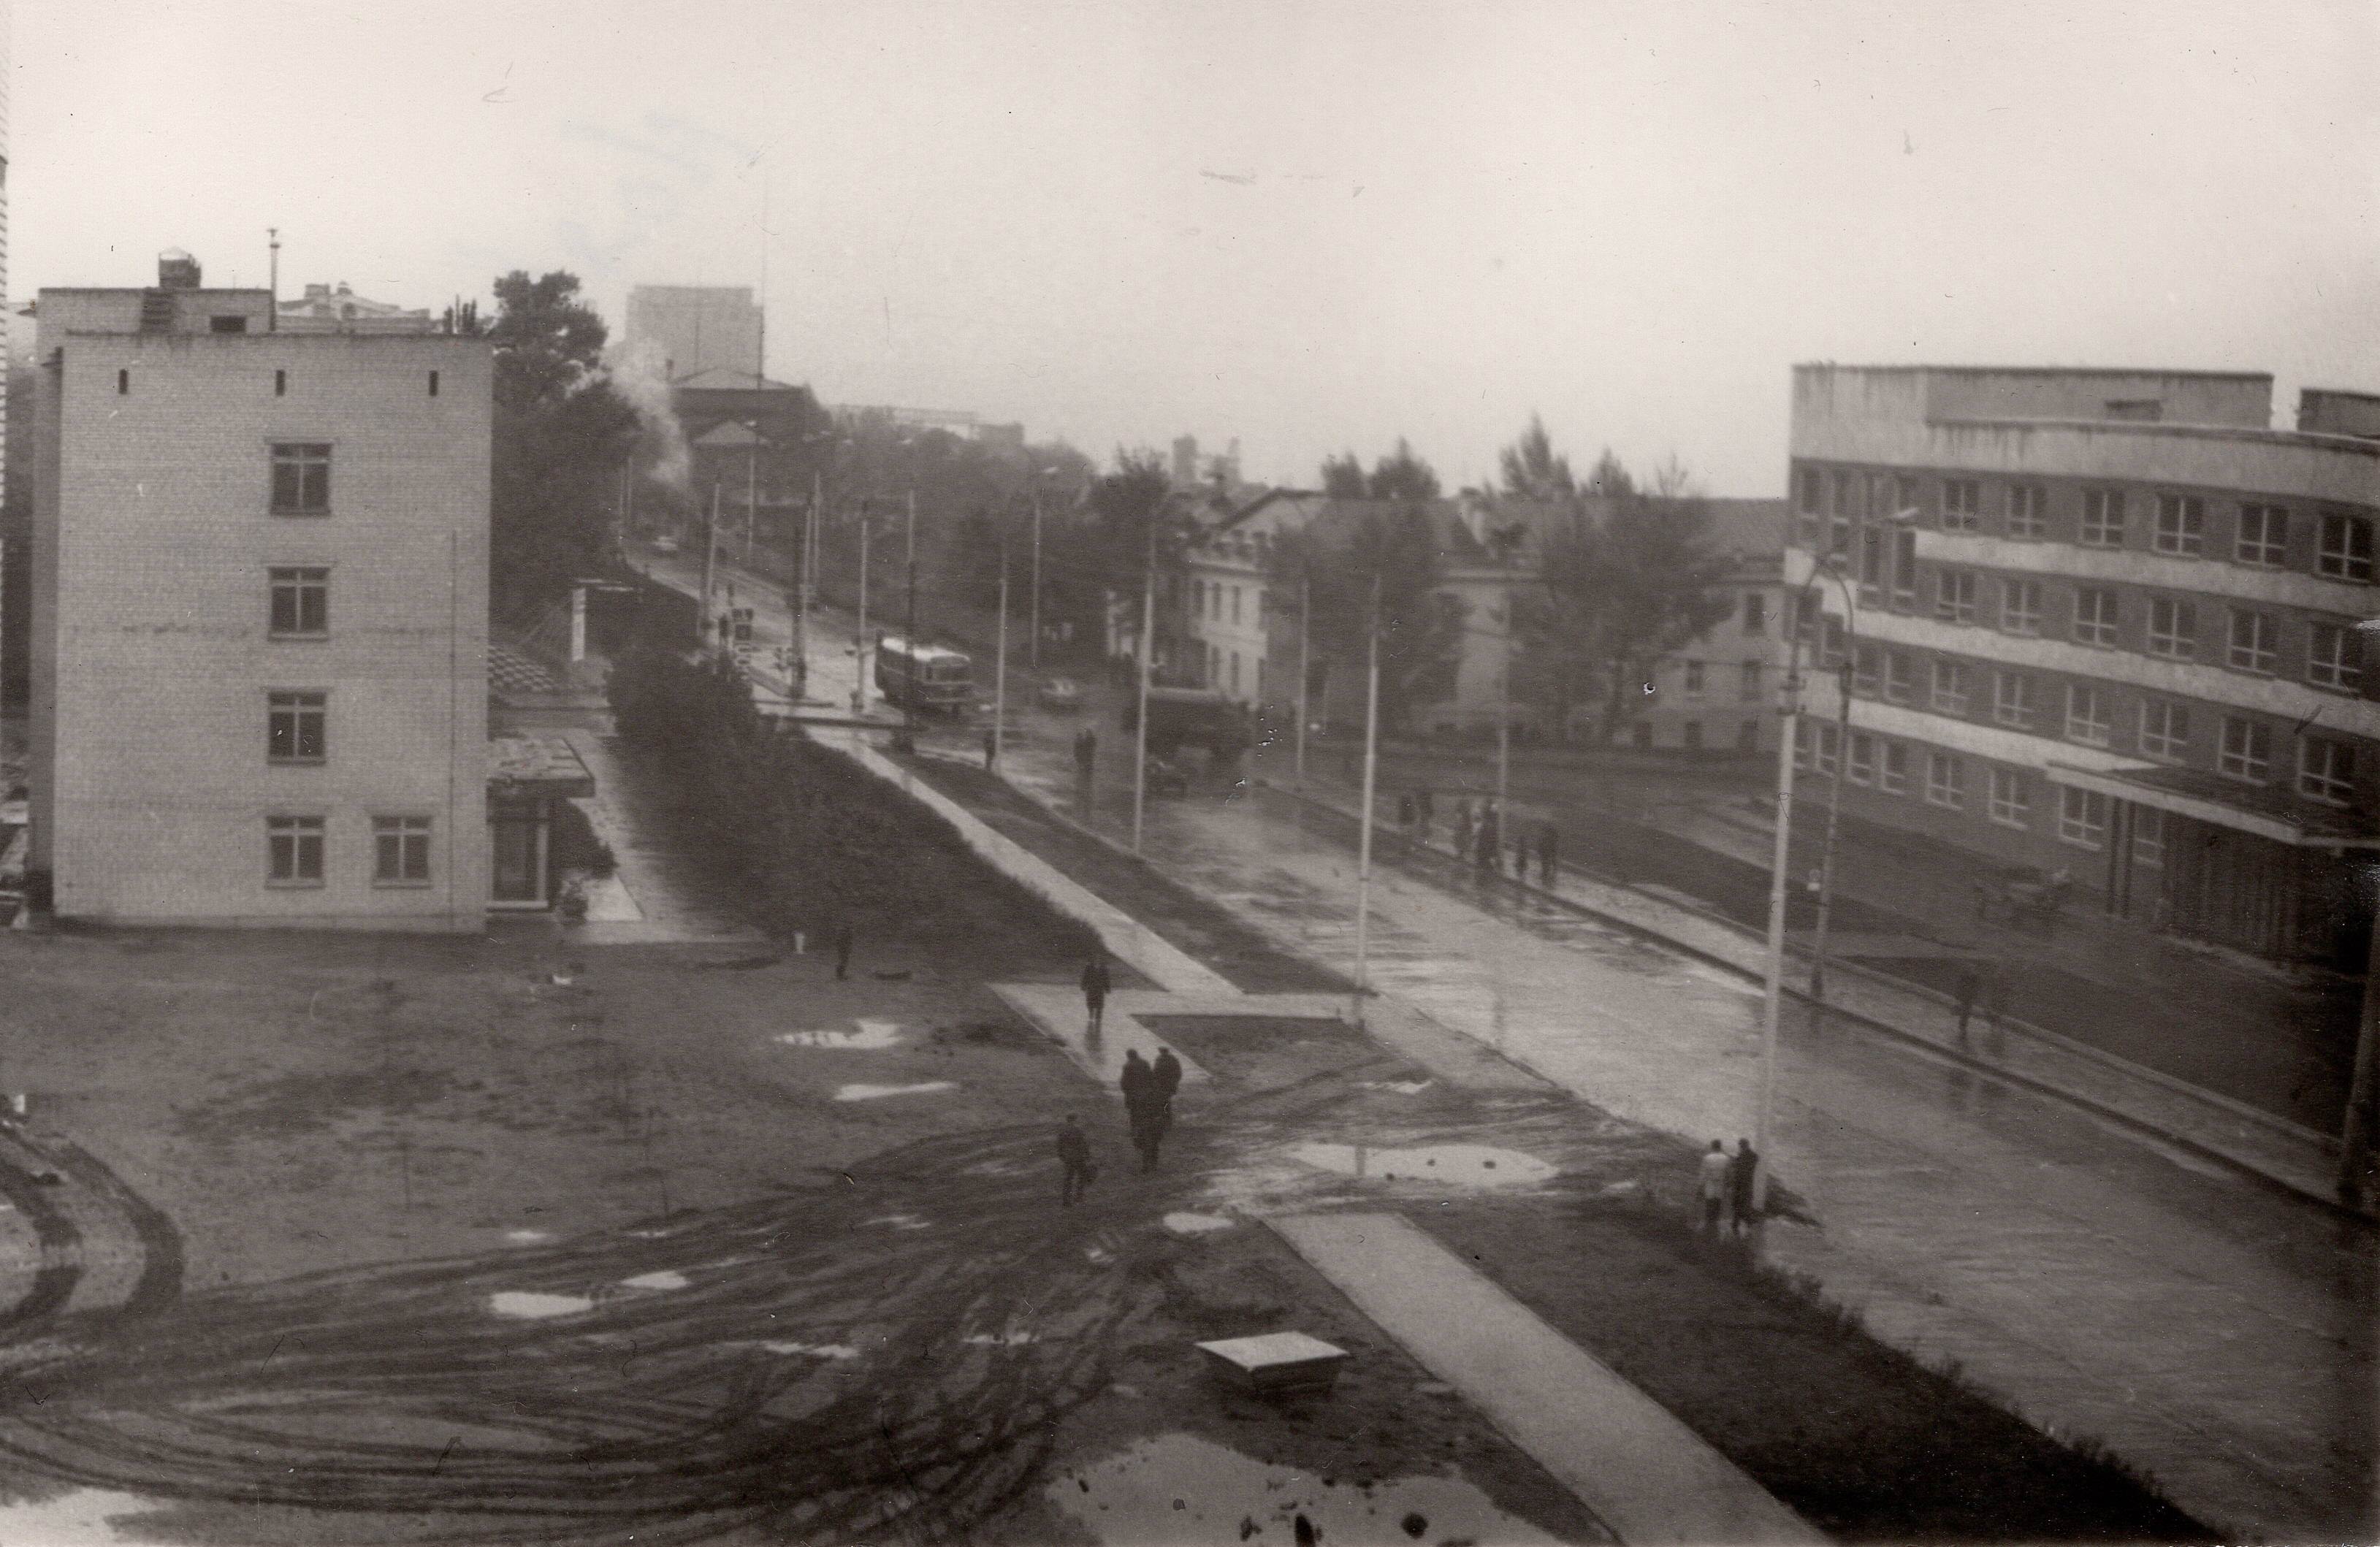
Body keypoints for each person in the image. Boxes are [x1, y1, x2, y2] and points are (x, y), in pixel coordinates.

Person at [1120, 1049, 1157, 1170]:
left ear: (1129, 1056)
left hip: (1133, 1095)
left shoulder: (1128, 1066)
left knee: (1134, 1114)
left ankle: (1136, 1132)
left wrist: (1126, 1091)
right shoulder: (1145, 1063)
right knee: (1145, 1112)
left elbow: (1124, 1082)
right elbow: (1151, 1077)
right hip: (1146, 1093)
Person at [1150, 1047, 1184, 1164]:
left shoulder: (1161, 1060)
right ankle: (1166, 1121)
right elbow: (1178, 1073)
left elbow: (1156, 1072)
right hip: (1165, 1086)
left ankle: (1166, 1121)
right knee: (1165, 1103)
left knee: (1165, 1104)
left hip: (1165, 1086)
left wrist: (1172, 1082)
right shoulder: (1171, 1059)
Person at [1056, 1114, 1097, 1207]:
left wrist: (1062, 1156)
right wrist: (1088, 1156)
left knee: (1068, 1179)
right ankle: (1079, 1197)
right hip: (1079, 1158)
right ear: (1075, 1120)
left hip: (1068, 1158)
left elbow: (1059, 1146)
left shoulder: (1063, 1131)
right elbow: (1084, 1144)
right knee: (1081, 1177)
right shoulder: (1079, 1130)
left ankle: (1066, 1200)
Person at [1728, 1139, 1761, 1235]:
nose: (1740, 1147)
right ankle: (1745, 1221)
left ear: (1742, 1146)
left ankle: (1742, 1222)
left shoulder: (1742, 1156)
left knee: (1738, 1204)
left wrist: (1736, 1161)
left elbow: (1739, 1170)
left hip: (1741, 1184)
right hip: (1747, 1184)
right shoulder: (1753, 1156)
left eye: (1740, 1146)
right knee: (1743, 1204)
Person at [1698, 1139, 1731, 1232]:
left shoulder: (1707, 1158)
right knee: (1718, 1202)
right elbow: (1729, 1173)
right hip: (1721, 1182)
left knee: (1709, 1201)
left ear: (1712, 1147)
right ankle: (1715, 1222)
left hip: (1710, 1182)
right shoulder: (1726, 1158)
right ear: (1720, 1147)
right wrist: (1728, 1184)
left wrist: (1700, 1185)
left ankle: (1709, 1222)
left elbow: (1703, 1173)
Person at [1080, 952, 1111, 1037]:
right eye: (1095, 958)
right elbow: (1085, 977)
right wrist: (1083, 986)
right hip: (1091, 988)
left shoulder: (1104, 968)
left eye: (1099, 958)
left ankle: (1098, 1019)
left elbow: (1106, 978)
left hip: (1100, 989)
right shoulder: (1089, 967)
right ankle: (1091, 1016)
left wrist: (1107, 988)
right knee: (1090, 1003)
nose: (1097, 960)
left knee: (1100, 1005)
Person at [832, 918, 855, 982]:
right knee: (843, 961)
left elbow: (849, 941)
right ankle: (840, 975)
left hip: (845, 948)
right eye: (850, 924)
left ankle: (841, 975)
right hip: (843, 948)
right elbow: (839, 941)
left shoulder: (848, 931)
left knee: (845, 961)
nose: (851, 926)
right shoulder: (843, 931)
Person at [1537, 822, 1559, 887]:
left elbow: (1541, 845)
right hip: (1547, 852)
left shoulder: (1547, 838)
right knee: (1548, 865)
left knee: (1547, 864)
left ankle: (1546, 876)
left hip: (1547, 852)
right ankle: (1547, 876)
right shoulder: (1549, 838)